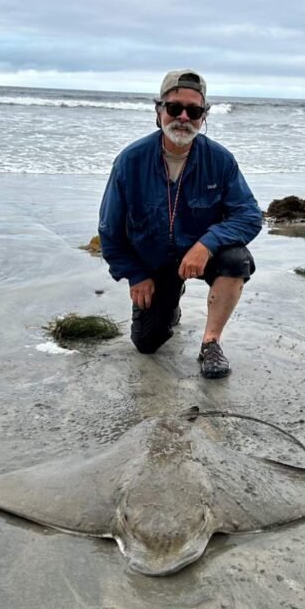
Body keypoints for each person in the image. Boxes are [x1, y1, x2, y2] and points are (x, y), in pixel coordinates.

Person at [98, 69, 262, 378]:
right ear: (159, 111)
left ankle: (211, 344)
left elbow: (250, 215)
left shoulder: (221, 160)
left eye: (194, 111)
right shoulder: (130, 161)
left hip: (202, 257)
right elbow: (109, 230)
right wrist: (135, 275)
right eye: (175, 108)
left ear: (203, 117)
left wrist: (206, 244)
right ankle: (171, 305)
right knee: (147, 343)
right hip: (154, 263)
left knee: (236, 259)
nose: (183, 117)